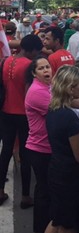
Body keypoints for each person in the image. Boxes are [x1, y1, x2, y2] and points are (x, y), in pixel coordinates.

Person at [0, 34, 43, 207]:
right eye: (36, 51)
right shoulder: (29, 66)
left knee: (6, 152)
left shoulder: (5, 62)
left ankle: (0, 191)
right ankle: (25, 196)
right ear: (31, 50)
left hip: (5, 112)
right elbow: (29, 93)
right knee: (26, 155)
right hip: (24, 115)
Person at [46, 65, 79, 233]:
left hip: (56, 170)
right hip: (69, 177)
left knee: (57, 219)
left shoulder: (53, 109)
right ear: (71, 88)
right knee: (67, 224)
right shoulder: (70, 118)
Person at [25, 56, 54, 233]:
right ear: (34, 73)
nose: (46, 71)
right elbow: (60, 108)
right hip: (41, 149)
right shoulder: (37, 91)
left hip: (46, 147)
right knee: (44, 192)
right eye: (41, 68)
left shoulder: (47, 87)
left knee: (47, 190)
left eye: (48, 67)